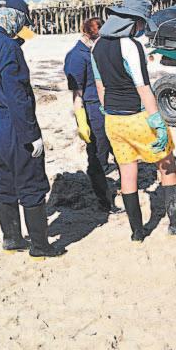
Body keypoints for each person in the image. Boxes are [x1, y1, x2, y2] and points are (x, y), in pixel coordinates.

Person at [91, 0, 176, 240]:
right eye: (141, 23)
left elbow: (100, 86)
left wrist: (107, 110)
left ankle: (137, 232)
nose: (141, 28)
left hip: (113, 120)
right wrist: (157, 122)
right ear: (133, 22)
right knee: (167, 165)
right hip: (138, 117)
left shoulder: (97, 45)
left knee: (127, 173)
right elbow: (143, 87)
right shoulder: (130, 46)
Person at [0, 0, 66, 257]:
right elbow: (18, 97)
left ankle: (11, 239)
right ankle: (40, 247)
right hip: (13, 122)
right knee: (31, 182)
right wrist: (32, 135)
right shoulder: (8, 48)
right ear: (15, 17)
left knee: (3, 181)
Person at [64, 17, 120, 213]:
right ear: (89, 36)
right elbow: (76, 93)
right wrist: (81, 120)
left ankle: (125, 188)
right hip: (92, 110)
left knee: (118, 150)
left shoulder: (96, 51)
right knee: (98, 156)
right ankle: (104, 201)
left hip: (108, 107)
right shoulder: (77, 56)